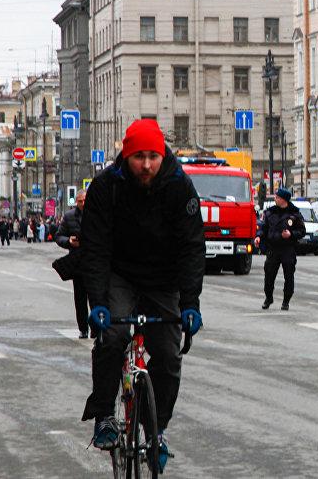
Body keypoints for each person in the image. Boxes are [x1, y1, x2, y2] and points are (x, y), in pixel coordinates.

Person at [80, 119, 205, 472]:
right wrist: (98, 302)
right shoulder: (107, 186)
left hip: (163, 279)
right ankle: (105, 416)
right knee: (113, 336)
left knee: (168, 354)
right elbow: (94, 248)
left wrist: (190, 303)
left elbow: (192, 247)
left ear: (163, 155)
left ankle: (157, 430)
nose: (146, 165)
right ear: (127, 155)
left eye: (153, 157)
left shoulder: (180, 186)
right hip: (119, 273)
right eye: (139, 157)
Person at [255, 187, 306, 310]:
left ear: (284, 199)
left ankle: (286, 301)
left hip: (288, 249)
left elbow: (302, 231)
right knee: (269, 275)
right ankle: (268, 298)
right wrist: (258, 237)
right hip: (273, 248)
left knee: (289, 276)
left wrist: (291, 234)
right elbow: (263, 228)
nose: (275, 199)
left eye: (277, 197)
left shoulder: (294, 214)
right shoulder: (270, 212)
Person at [55, 189, 90, 338]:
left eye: (85, 200)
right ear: (76, 202)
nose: (83, 203)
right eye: (80, 201)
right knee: (80, 298)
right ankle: (83, 328)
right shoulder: (69, 216)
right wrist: (69, 241)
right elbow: (59, 236)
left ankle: (97, 328)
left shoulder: (97, 213)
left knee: (97, 297)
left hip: (94, 262)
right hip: (77, 262)